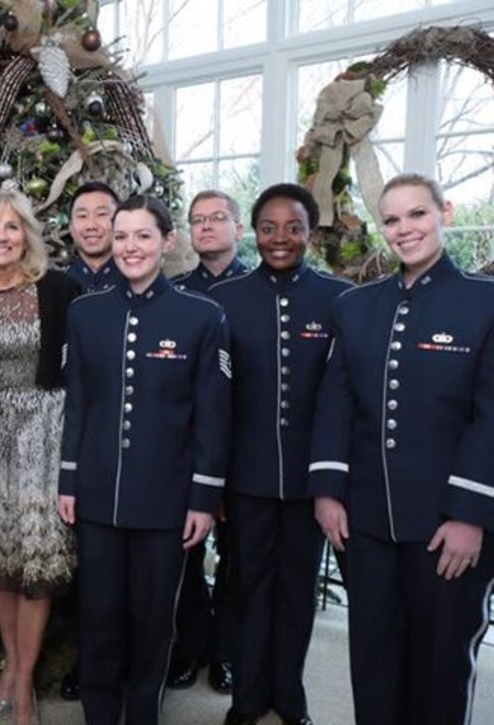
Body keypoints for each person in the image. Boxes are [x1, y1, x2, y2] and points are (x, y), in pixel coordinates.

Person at [309, 173, 494, 725]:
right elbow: (336, 404)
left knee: (440, 662)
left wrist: (469, 516)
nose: (404, 229)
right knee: (373, 656)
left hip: (446, 524)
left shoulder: (485, 303)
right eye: (391, 219)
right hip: (365, 521)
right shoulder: (355, 306)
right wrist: (327, 492)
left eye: (417, 214)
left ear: (445, 213)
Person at [59, 195, 231, 725]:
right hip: (97, 493)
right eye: (121, 236)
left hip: (166, 500)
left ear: (166, 241)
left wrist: (203, 498)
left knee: (153, 622)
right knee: (98, 617)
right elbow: (77, 403)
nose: (129, 247)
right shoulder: (84, 313)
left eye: (142, 236)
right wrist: (68, 480)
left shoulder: (202, 316)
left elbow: (212, 416)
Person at [209, 184, 351, 725]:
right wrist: (214, 483)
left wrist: (333, 482)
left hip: (310, 482)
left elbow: (343, 398)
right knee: (246, 589)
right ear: (254, 232)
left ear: (310, 232)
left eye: (293, 227)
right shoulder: (225, 300)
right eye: (268, 228)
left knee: (296, 591)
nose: (280, 238)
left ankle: (290, 696)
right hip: (244, 480)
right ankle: (247, 698)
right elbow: (215, 401)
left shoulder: (339, 299)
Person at [0, 188, 78, 725]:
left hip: (43, 434)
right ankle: (10, 664)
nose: (2, 236)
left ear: (27, 235)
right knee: (2, 565)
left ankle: (24, 682)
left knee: (34, 564)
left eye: (12, 226)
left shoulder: (58, 289)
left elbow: (81, 372)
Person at [166, 190, 248, 694]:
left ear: (238, 228)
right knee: (187, 559)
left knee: (237, 562)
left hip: (244, 451)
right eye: (198, 220)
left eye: (218, 218)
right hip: (186, 452)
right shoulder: (177, 293)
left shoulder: (257, 290)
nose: (207, 226)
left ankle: (226, 652)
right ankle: (189, 647)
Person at [58, 179, 119, 703]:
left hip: (124, 443)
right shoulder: (57, 286)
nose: (93, 224)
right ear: (69, 225)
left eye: (104, 214)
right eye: (83, 215)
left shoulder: (139, 277)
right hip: (64, 433)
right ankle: (82, 658)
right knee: (79, 561)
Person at [65, 181, 119, 293]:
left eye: (101, 214)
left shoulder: (138, 282)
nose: (91, 226)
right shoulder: (58, 287)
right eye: (82, 216)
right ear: (71, 228)